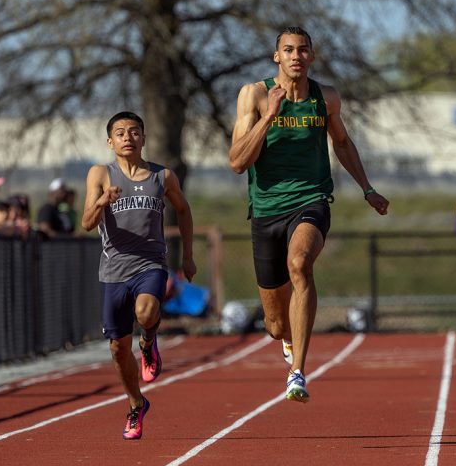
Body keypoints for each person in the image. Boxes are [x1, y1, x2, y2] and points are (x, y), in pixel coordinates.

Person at [229, 26, 389, 403]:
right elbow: (237, 162)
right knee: (274, 324)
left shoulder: (325, 97)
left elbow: (342, 143)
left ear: (312, 57)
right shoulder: (254, 95)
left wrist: (367, 189)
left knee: (299, 264)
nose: (296, 56)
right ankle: (288, 337)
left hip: (311, 199)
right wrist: (269, 117)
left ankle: (297, 371)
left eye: (303, 50)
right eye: (288, 50)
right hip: (266, 209)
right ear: (277, 57)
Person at [81, 111, 196, 440]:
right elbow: (87, 223)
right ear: (110, 142)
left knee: (146, 312)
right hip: (114, 269)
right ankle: (136, 403)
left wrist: (188, 256)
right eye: (120, 133)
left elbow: (184, 210)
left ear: (143, 138)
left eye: (134, 132)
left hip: (151, 263)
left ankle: (148, 341)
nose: (127, 137)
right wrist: (102, 201)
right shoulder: (101, 174)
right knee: (118, 348)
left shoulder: (163, 176)